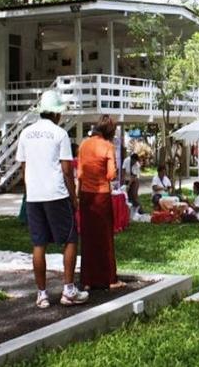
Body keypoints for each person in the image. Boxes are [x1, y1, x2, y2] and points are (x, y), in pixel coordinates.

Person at [15, 90, 88, 309]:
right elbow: (66, 170)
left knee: (39, 244)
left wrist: (30, 190)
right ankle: (68, 290)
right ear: (56, 113)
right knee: (70, 240)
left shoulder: (26, 133)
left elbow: (24, 167)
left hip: (34, 195)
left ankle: (42, 294)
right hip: (56, 194)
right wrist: (74, 197)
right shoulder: (60, 134)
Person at [77, 115, 125, 291]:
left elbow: (80, 173)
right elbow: (111, 175)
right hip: (102, 195)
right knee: (105, 238)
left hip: (85, 195)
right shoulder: (108, 146)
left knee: (88, 238)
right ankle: (110, 279)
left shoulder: (83, 144)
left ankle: (87, 280)